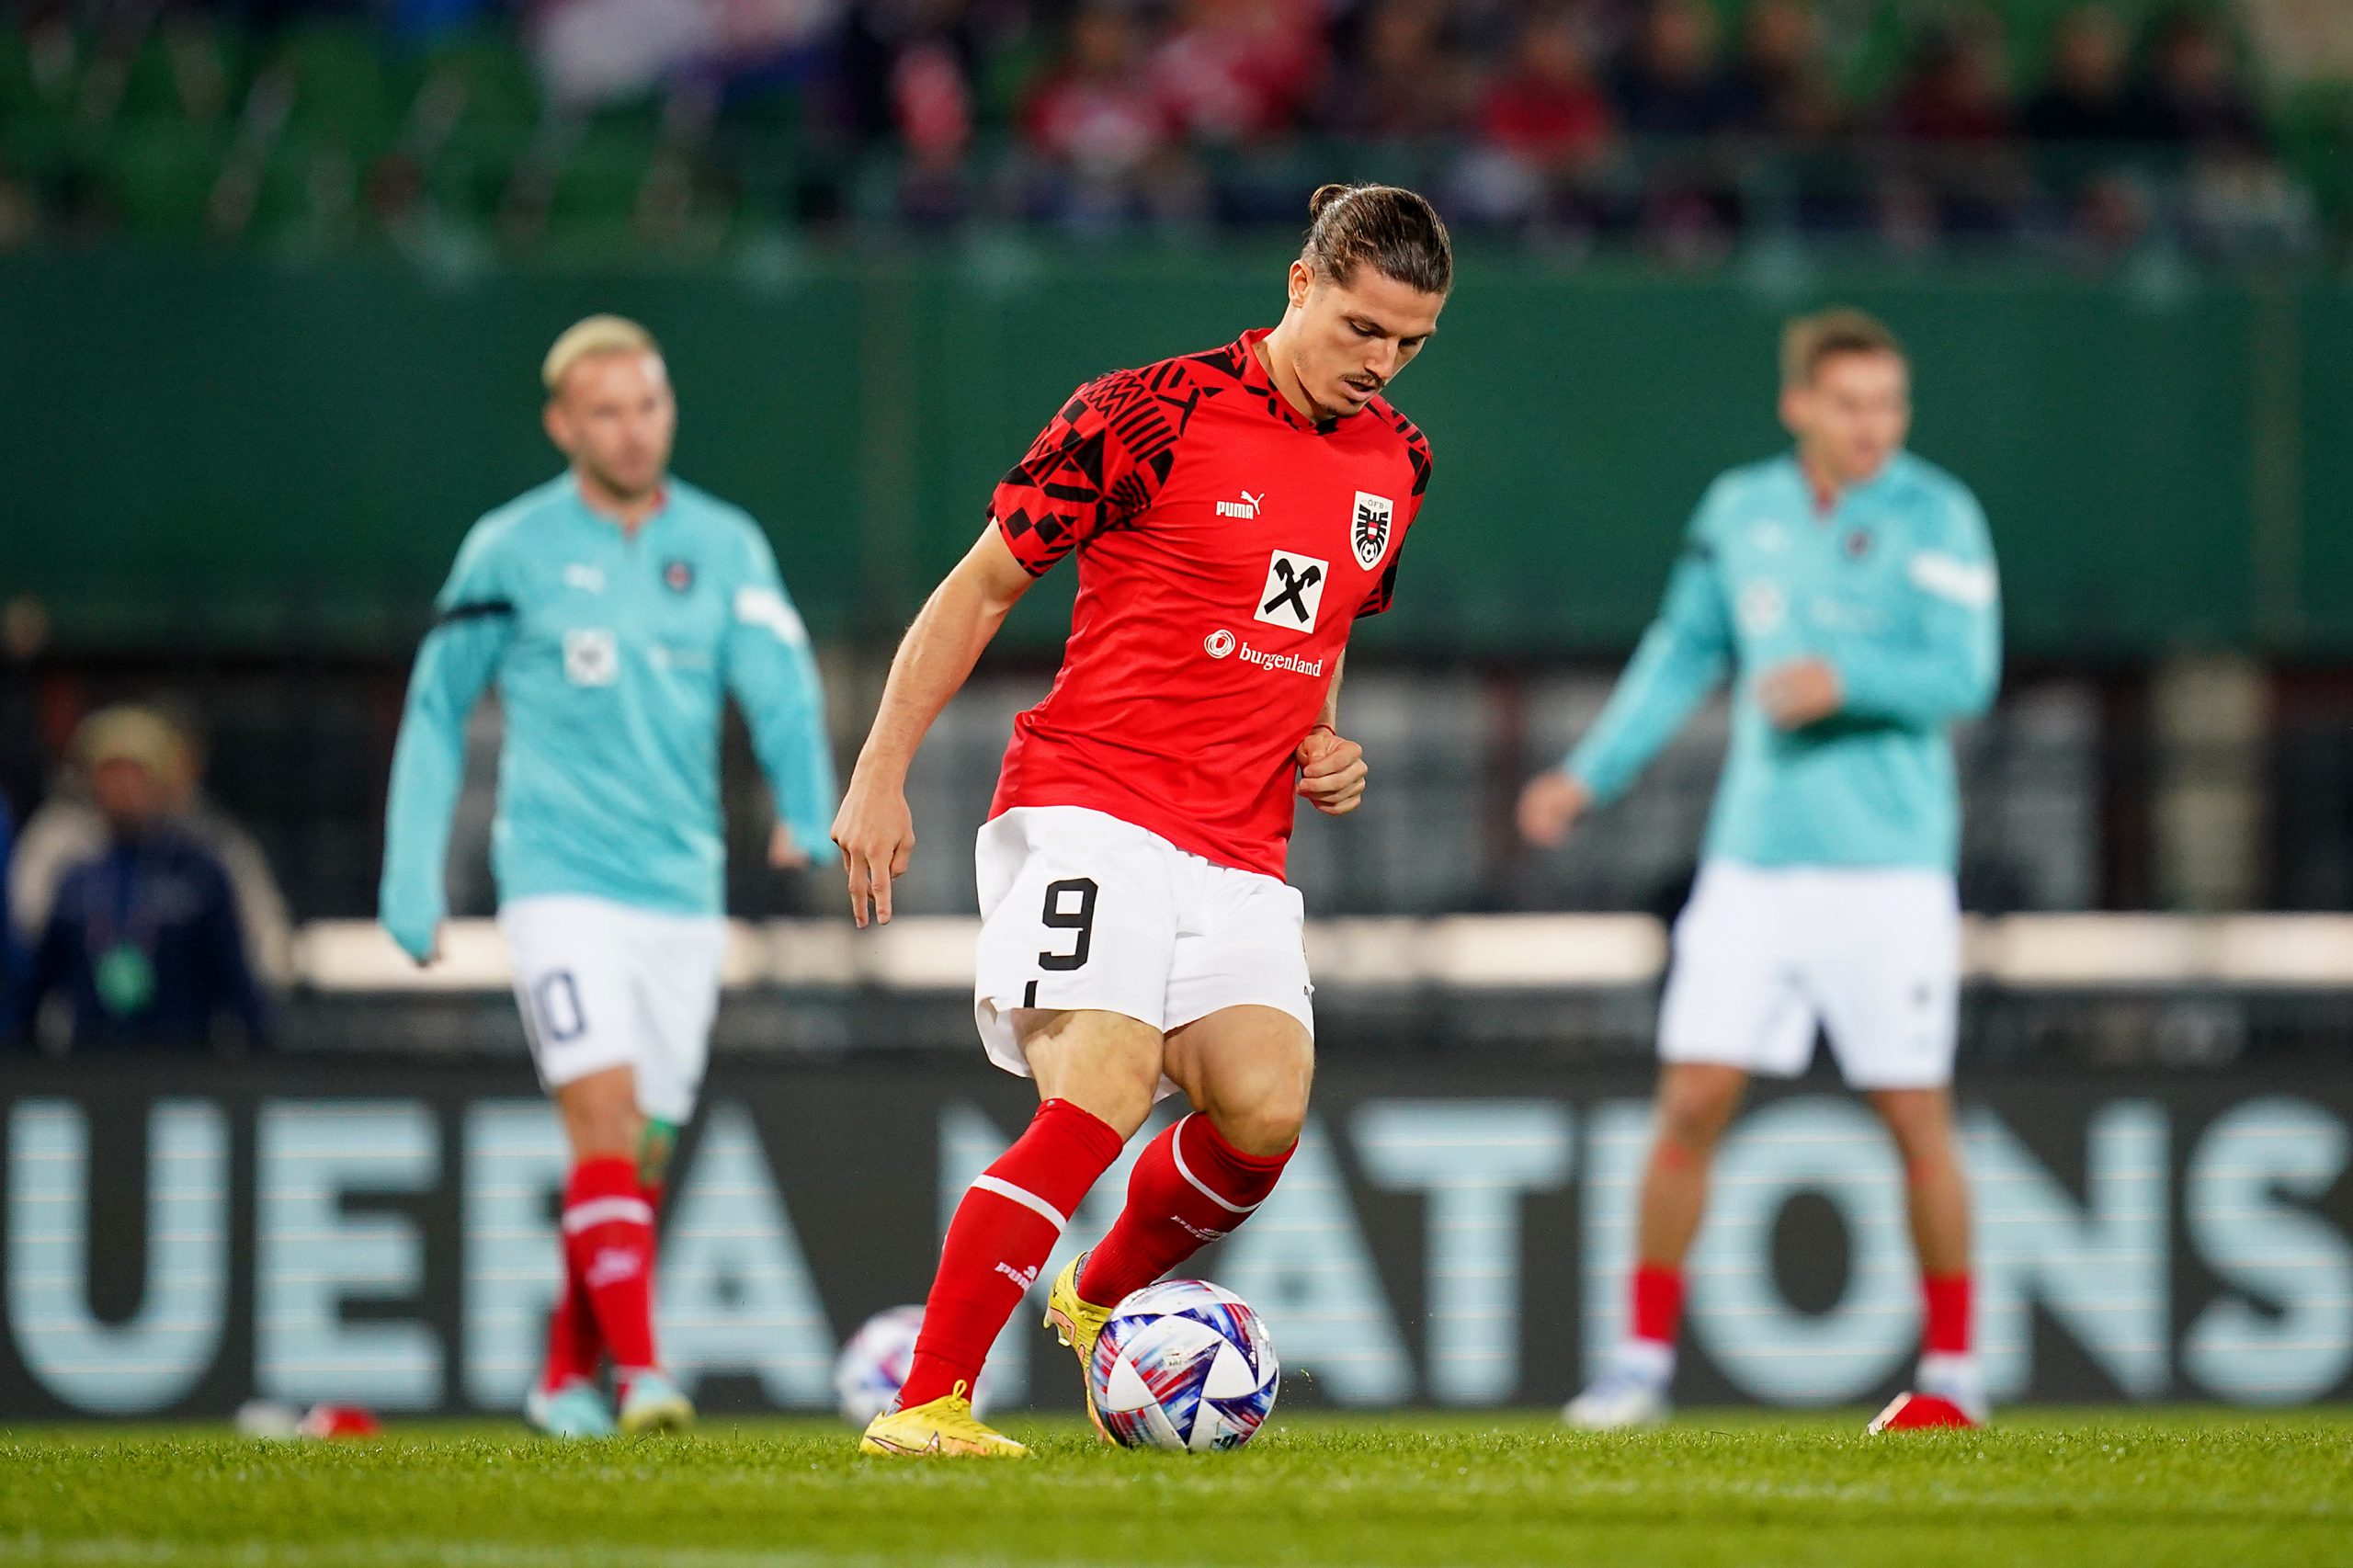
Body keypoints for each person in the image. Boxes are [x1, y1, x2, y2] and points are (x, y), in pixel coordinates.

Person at [833, 182, 1447, 1459]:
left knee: (1265, 1114)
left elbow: (1316, 626)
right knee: (1103, 1085)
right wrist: (881, 766)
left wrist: (1323, 741)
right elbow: (982, 588)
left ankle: (1097, 1293)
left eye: (1409, 344)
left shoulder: (1400, 461)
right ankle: (927, 1402)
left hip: (1241, 844)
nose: (1379, 364)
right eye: (1361, 328)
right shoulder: (1147, 411)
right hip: (1090, 805)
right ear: (1298, 282)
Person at [1520, 309, 2000, 1429]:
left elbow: (1966, 673)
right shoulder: (1742, 511)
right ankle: (1638, 1362)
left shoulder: (1940, 513)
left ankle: (1959, 1368)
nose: (1873, 424)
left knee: (1913, 1110)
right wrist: (1590, 772)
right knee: (1689, 1098)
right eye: (1850, 403)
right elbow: (1681, 649)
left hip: (1890, 868)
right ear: (1800, 406)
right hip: (1752, 862)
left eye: (1889, 403)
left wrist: (1852, 677)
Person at [379, 314, 837, 1439]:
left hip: (681, 887)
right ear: (560, 423)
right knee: (605, 1122)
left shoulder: (724, 543)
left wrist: (805, 801)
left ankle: (559, 1377)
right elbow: (440, 704)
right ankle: (643, 1375)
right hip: (557, 878)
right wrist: (411, 868)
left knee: (641, 1150)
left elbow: (777, 681)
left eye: (648, 406)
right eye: (606, 413)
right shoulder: (511, 546)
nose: (633, 433)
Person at [10, 706, 268, 1051]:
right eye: (112, 774)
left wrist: (263, 1046)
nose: (125, 788)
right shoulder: (75, 879)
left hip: (184, 1063)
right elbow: (36, 987)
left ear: (162, 783)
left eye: (137, 774)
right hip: (90, 1062)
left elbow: (237, 983)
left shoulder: (200, 873)